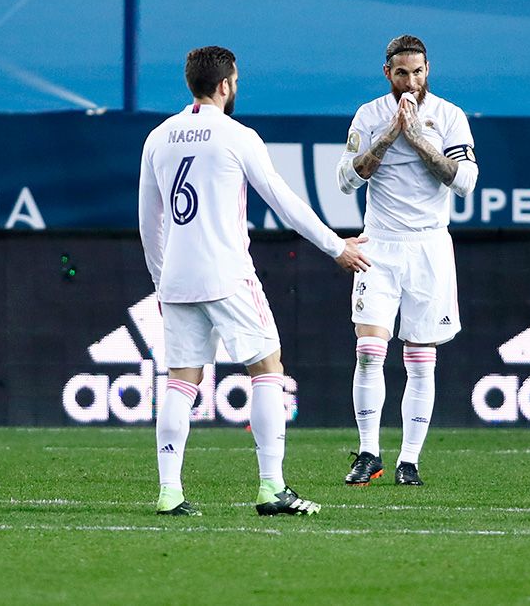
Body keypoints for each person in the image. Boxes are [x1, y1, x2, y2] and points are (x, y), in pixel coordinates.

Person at [139, 45, 370, 516]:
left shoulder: (158, 138)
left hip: (178, 278)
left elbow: (149, 221)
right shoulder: (237, 135)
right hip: (227, 272)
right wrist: (335, 246)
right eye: (236, 81)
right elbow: (284, 201)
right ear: (225, 84)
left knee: (181, 380)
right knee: (267, 367)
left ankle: (169, 492)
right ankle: (271, 487)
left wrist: (162, 281)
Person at [336, 35, 478, 487]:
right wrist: (386, 138)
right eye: (402, 73)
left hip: (429, 248)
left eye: (418, 72)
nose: (411, 81)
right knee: (368, 353)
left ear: (427, 70)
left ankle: (409, 459)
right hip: (379, 244)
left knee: (420, 360)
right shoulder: (370, 115)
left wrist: (419, 140)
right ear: (387, 73)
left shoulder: (450, 116)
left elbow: (466, 182)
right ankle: (368, 453)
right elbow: (345, 180)